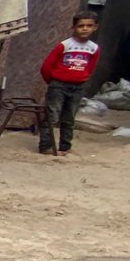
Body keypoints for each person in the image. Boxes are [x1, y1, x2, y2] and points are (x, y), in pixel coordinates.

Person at [39, 12, 101, 154]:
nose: (85, 29)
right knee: (52, 116)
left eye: (89, 26)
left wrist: (82, 78)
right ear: (74, 27)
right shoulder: (64, 45)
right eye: (81, 26)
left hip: (78, 87)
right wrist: (53, 81)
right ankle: (46, 146)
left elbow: (90, 67)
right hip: (58, 85)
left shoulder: (94, 48)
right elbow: (46, 67)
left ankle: (65, 147)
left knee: (69, 118)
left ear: (95, 27)